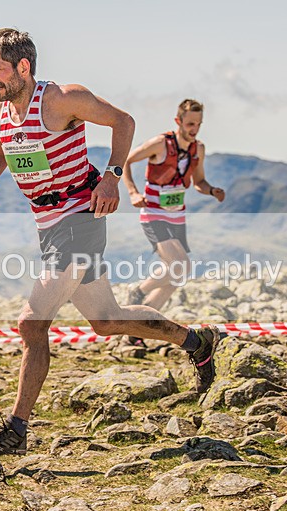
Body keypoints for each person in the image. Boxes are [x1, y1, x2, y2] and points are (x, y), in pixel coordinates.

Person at [0, 28, 221, 456]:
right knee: (104, 318)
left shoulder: (64, 98)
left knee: (32, 322)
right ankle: (196, 341)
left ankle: (15, 432)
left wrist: (112, 176)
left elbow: (124, 122)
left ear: (23, 66)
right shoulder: (0, 110)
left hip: (80, 218)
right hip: (47, 226)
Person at [120, 99, 225, 346]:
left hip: (177, 216)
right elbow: (126, 160)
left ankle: (136, 331)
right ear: (178, 121)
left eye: (198, 124)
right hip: (154, 214)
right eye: (190, 123)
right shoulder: (160, 143)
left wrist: (212, 191)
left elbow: (199, 181)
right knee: (182, 266)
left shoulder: (198, 149)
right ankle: (139, 291)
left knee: (175, 279)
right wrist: (133, 192)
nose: (194, 128)